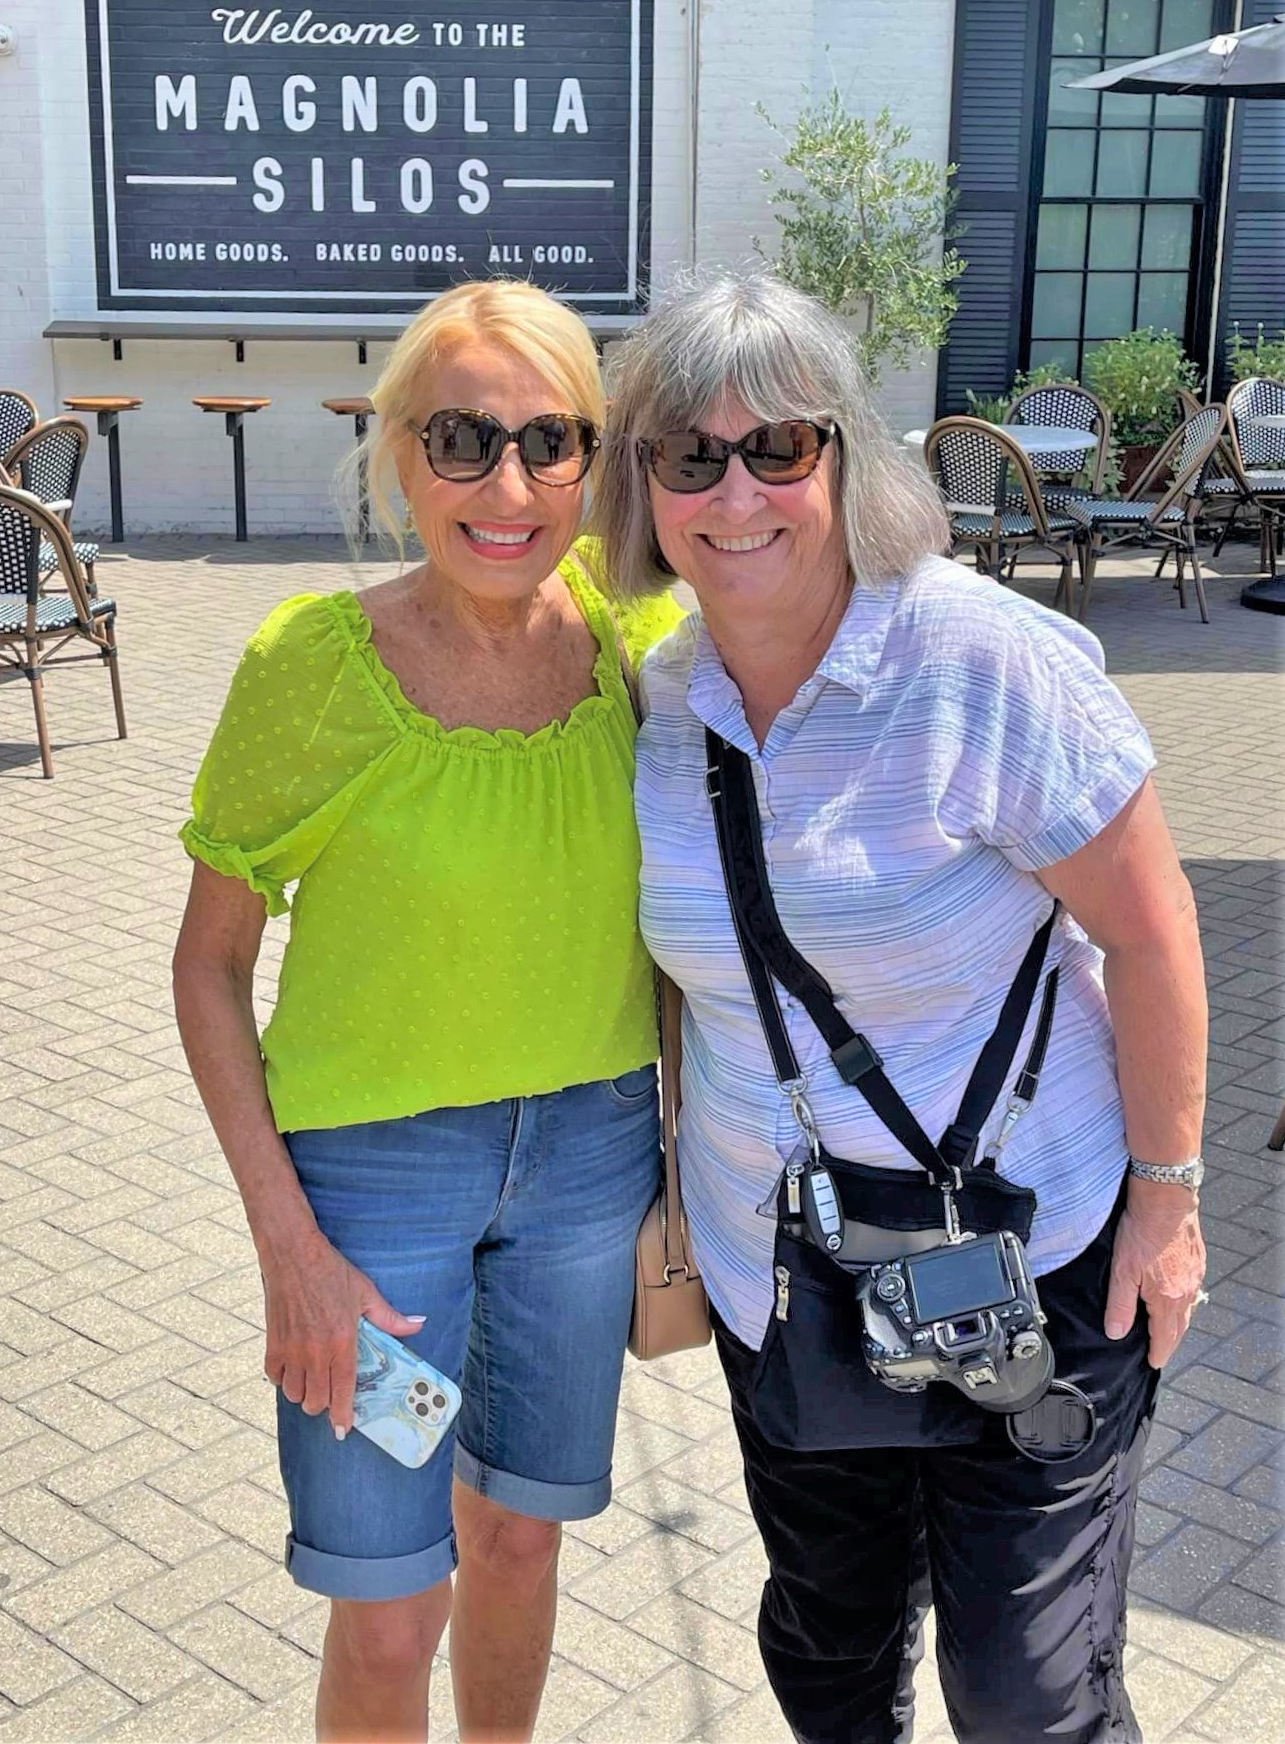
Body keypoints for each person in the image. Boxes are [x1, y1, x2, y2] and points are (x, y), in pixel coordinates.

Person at [591, 273, 1209, 1744]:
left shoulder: (978, 660)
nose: (735, 492)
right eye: (690, 455)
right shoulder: (660, 701)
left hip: (1036, 1255)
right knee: (832, 1650)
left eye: (777, 446)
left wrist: (1168, 1200)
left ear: (845, 456)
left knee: (1027, 1692)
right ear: (645, 487)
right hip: (783, 1270)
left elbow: (1153, 930)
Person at [172, 279, 682, 1743]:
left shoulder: (640, 641)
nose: (507, 487)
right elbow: (207, 967)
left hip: (585, 1174)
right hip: (376, 1206)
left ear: (594, 462)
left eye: (550, 440)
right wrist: (289, 1251)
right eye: (462, 439)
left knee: (517, 1542)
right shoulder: (312, 669)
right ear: (399, 453)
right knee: (392, 1604)